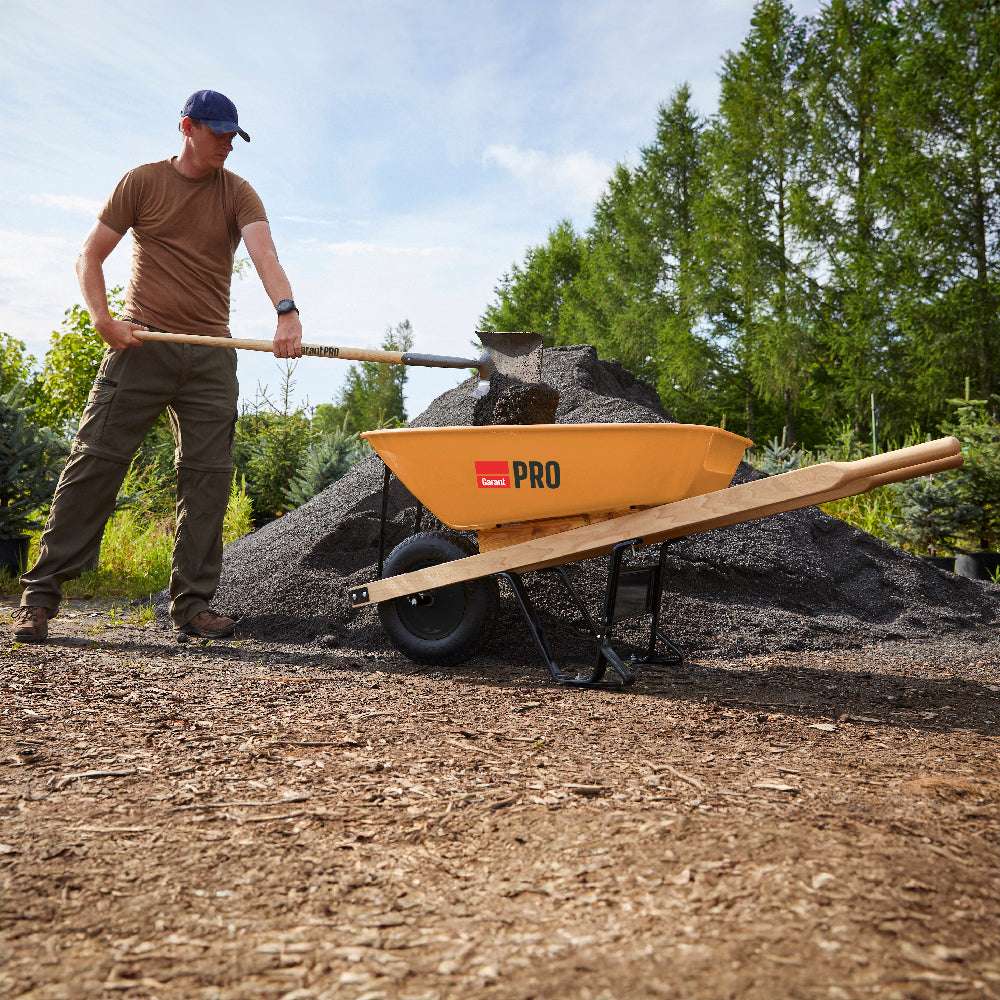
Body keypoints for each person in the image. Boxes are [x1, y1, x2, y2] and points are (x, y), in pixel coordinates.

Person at [11, 90, 303, 643]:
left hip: (212, 354)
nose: (225, 146)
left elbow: (265, 253)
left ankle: (191, 606)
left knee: (208, 480)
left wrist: (286, 313)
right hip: (142, 345)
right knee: (95, 464)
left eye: (232, 138)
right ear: (186, 127)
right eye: (216, 134)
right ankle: (40, 597)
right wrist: (102, 319)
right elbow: (90, 256)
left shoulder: (238, 192)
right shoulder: (142, 182)